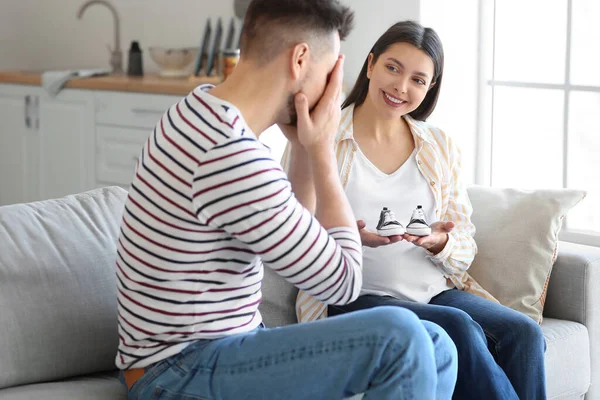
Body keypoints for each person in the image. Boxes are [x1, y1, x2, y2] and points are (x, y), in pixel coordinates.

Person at [114, 2, 458, 399]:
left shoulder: (198, 110)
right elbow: (342, 284)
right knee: (400, 337)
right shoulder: (230, 155)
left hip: (212, 353)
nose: (335, 90)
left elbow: (299, 237)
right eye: (330, 72)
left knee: (437, 346)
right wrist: (324, 150)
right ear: (300, 60)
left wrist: (300, 148)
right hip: (178, 370)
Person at [286, 21, 546, 400]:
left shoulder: (438, 145)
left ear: (430, 89)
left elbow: (463, 248)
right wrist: (348, 237)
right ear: (371, 64)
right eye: (393, 68)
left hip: (434, 292)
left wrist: (440, 242)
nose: (401, 87)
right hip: (357, 297)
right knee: (458, 327)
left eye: (418, 80)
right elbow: (292, 229)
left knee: (524, 332)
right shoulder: (321, 135)